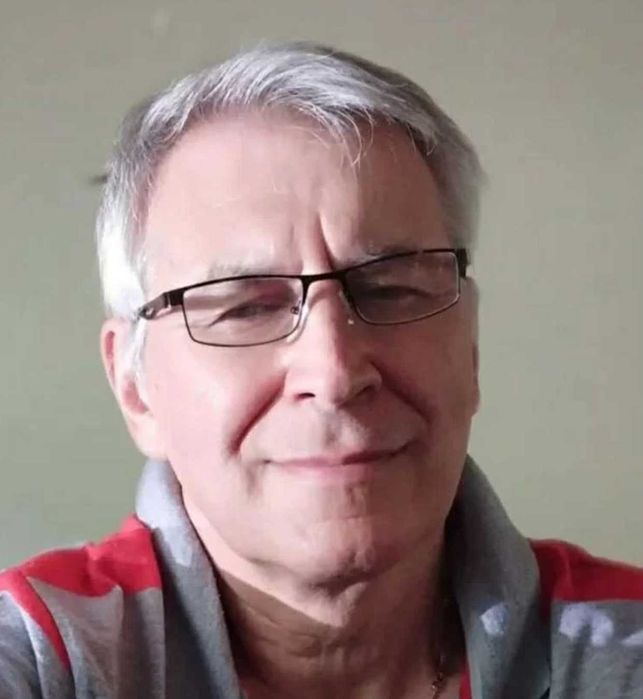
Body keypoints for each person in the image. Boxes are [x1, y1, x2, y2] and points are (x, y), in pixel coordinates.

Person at [0, 42, 641, 699]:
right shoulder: (40, 660)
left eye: (391, 288)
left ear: (469, 344)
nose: (334, 371)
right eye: (246, 307)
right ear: (135, 387)